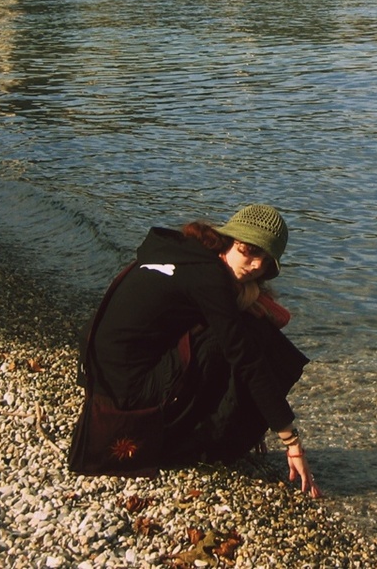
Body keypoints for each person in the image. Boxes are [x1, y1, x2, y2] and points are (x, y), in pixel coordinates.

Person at [72, 203, 320, 496]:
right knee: (243, 340)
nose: (255, 266)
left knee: (238, 331)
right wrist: (291, 441)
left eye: (265, 261)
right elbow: (246, 360)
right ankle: (217, 443)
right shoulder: (209, 278)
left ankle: (240, 429)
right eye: (249, 251)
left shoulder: (178, 253)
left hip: (105, 386)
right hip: (128, 401)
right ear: (229, 241)